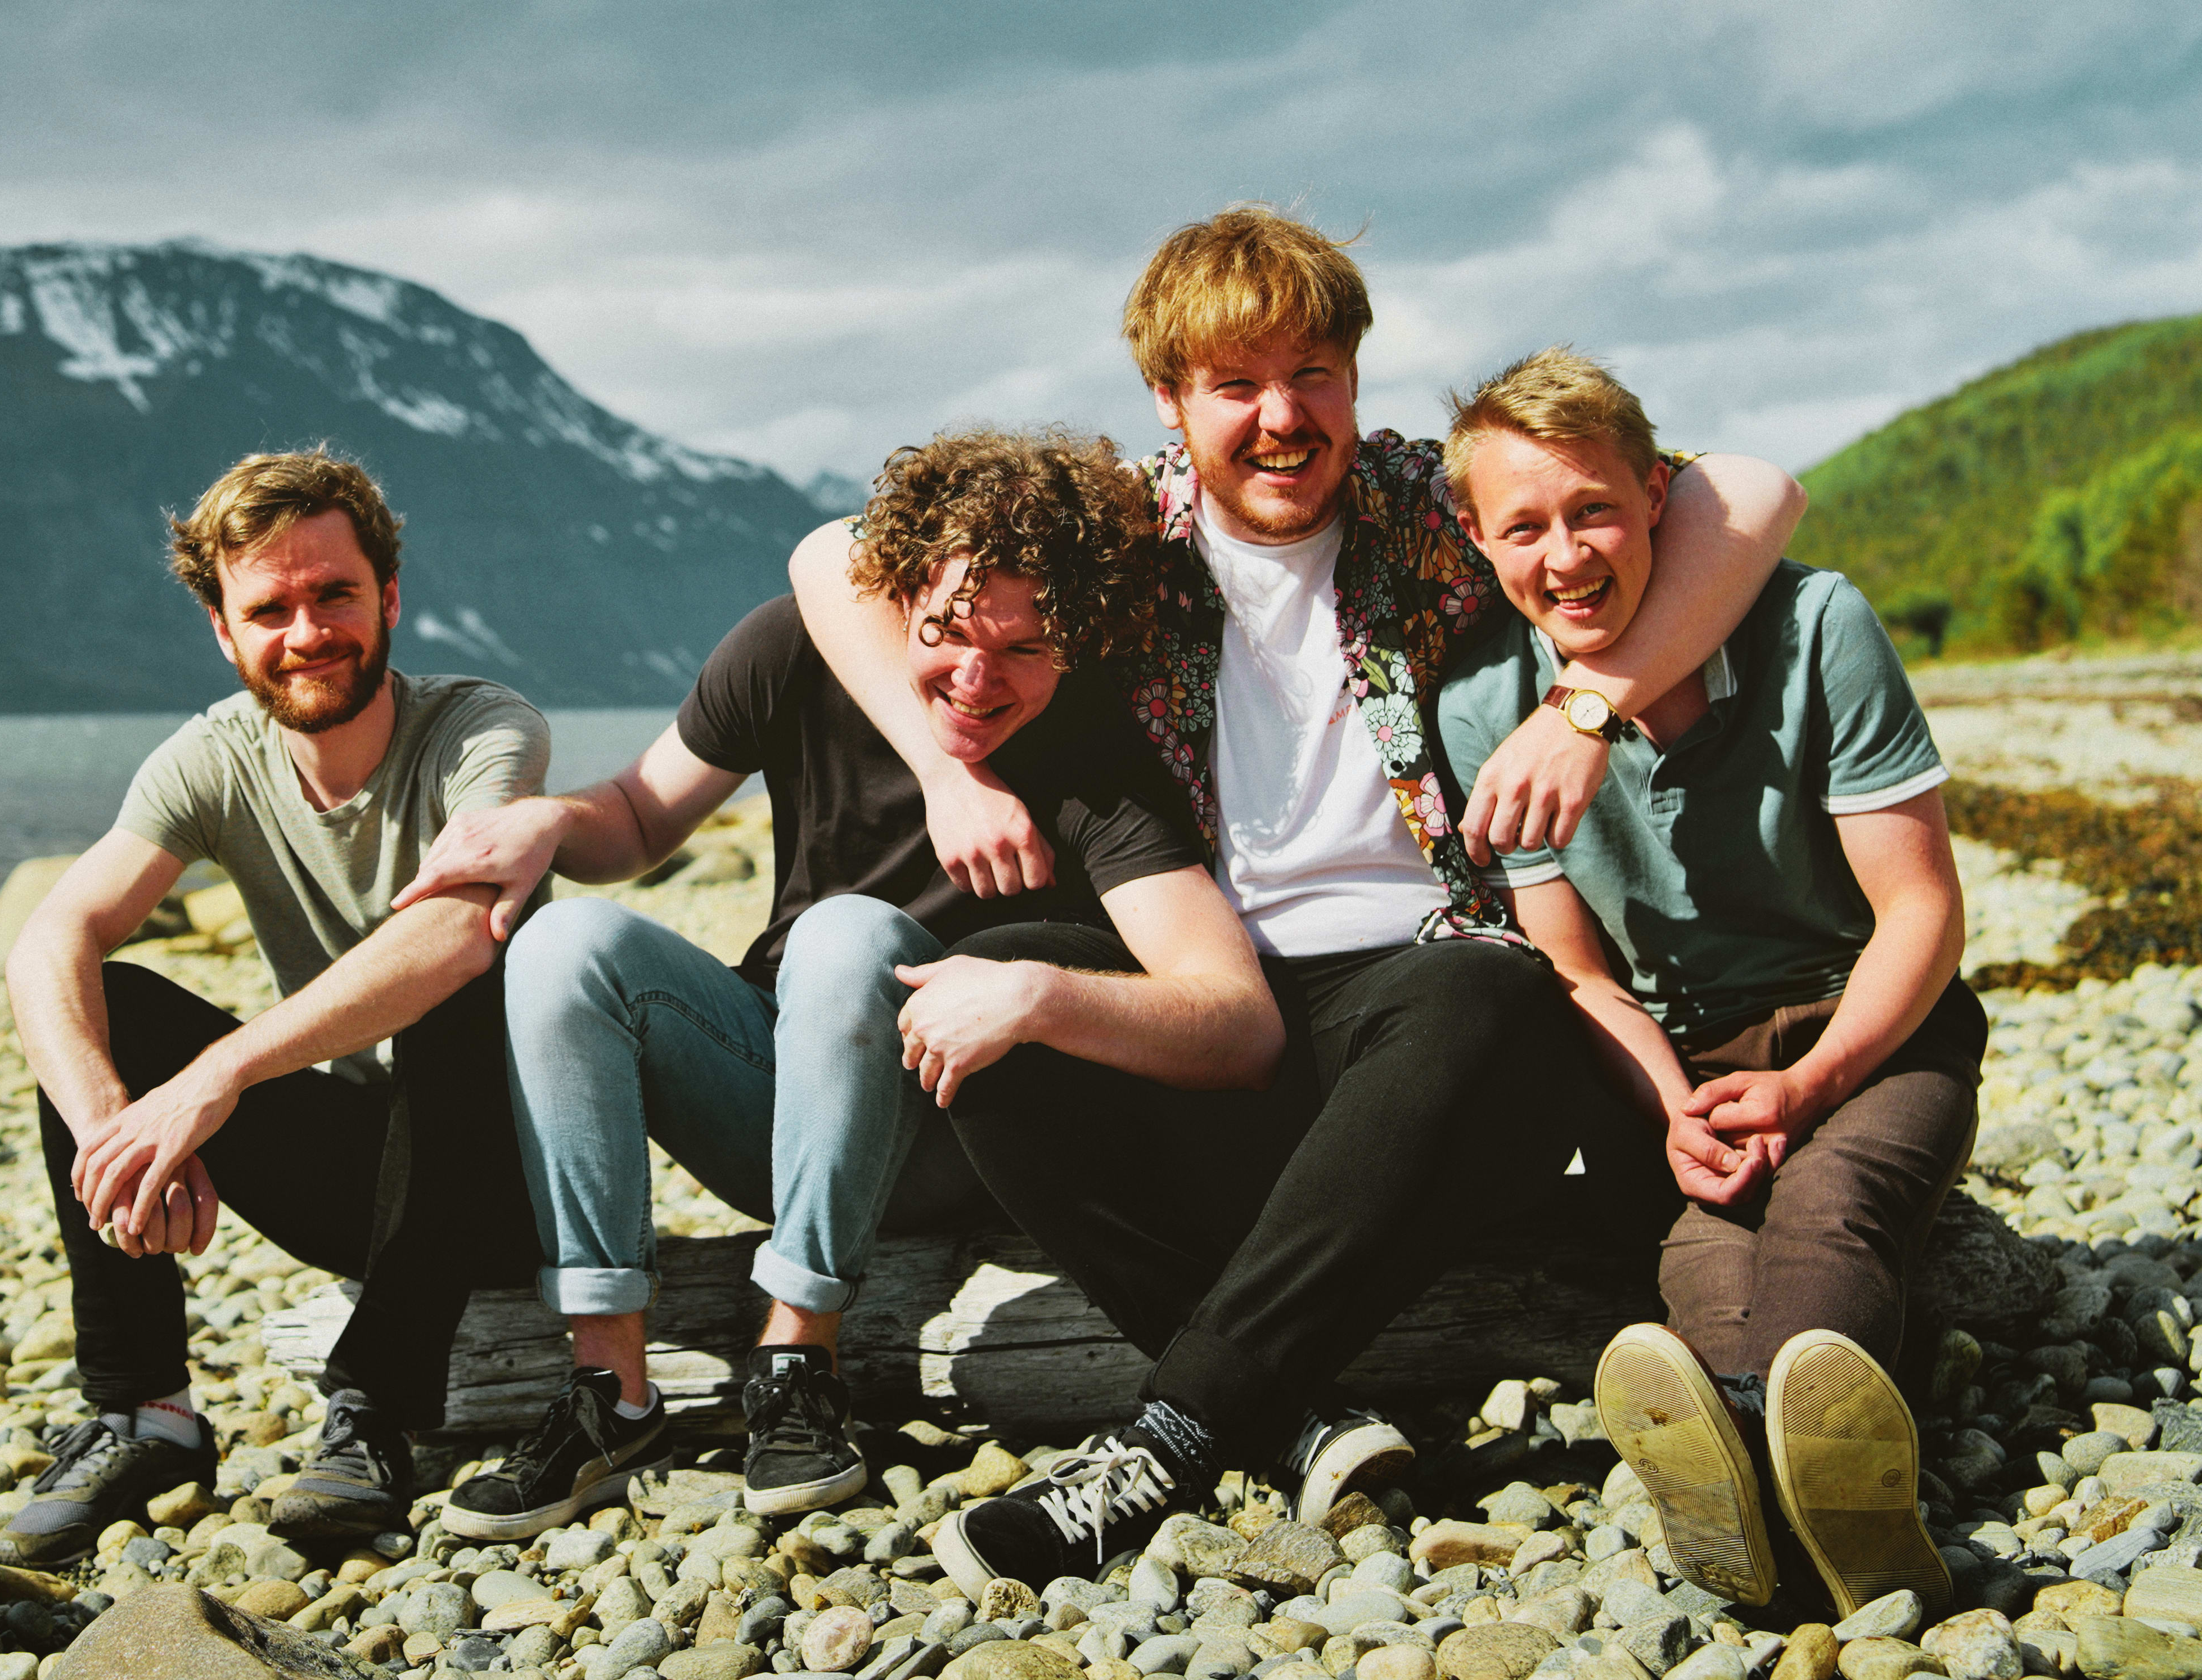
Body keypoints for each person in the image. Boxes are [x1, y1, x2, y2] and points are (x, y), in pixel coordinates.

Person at [786, 206, 1809, 1593]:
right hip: (1225, 1017)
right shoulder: (1122, 535)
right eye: (1237, 384)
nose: (1282, 419)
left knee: (1489, 985)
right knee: (1005, 983)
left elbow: (1752, 491)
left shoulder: (1426, 501)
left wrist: (1589, 703)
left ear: (1354, 377)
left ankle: (1167, 1441)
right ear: (1170, 398)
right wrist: (944, 772)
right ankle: (1291, 1412)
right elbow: (830, 557)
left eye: (1312, 375)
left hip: (1442, 1038)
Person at [390, 427, 1287, 1535]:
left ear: (1076, 643)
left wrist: (1042, 995)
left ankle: (794, 1367)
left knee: (848, 936)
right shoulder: (795, 649)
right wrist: (546, 822)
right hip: (775, 1108)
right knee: (563, 945)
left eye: (1025, 648)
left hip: (944, 1135)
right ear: (897, 592)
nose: (976, 679)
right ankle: (609, 1395)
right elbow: (636, 818)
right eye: (948, 631)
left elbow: (1238, 1026)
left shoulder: (1094, 750)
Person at [1433, 346, 1978, 1618]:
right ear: (1476, 539)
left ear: (1658, 499)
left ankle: (1752, 1462)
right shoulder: (1481, 706)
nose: (1565, 556)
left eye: (1594, 511)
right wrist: (1674, 1107)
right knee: (1700, 1252)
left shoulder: (1815, 624)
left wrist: (1813, 1083)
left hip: (1875, 1031)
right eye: (1525, 527)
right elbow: (1578, 974)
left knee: (1832, 1204)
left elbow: (1923, 911)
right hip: (1685, 1063)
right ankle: (1816, 1506)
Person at [0, 449, 550, 1565]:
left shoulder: (481, 731)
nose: (307, 633)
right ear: (223, 630)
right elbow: (49, 939)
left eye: (335, 594)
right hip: (356, 1186)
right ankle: (145, 1414)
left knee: (467, 981)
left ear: (389, 598)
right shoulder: (213, 759)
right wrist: (119, 1135)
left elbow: (455, 932)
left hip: (518, 1179)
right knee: (102, 1004)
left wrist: (214, 1079)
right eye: (269, 610)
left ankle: (376, 1409)